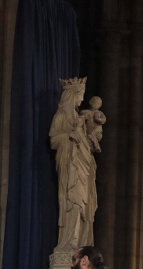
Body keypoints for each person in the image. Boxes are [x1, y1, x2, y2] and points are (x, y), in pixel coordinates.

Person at [49, 76, 96, 249]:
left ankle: (80, 245)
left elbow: (86, 146)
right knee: (73, 204)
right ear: (71, 95)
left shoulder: (80, 120)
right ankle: (68, 244)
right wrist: (69, 136)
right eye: (80, 95)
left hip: (82, 170)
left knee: (84, 208)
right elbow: (54, 139)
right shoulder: (62, 116)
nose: (82, 99)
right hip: (70, 169)